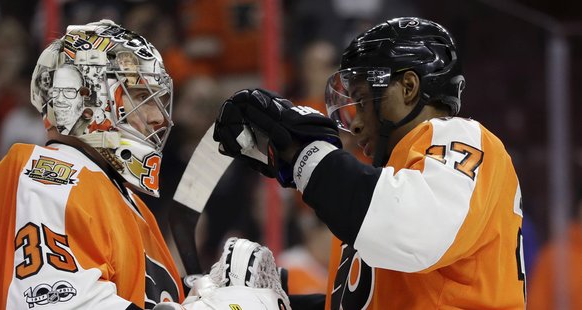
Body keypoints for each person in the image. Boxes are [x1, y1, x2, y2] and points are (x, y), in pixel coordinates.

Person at [214, 17, 525, 309]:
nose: (357, 124)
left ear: (408, 88)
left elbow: (414, 231)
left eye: (362, 101)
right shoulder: (385, 191)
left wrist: (305, 153)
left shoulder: (461, 136)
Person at [0, 20, 183, 309]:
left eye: (159, 100)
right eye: (142, 96)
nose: (158, 117)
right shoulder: (43, 176)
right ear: (87, 96)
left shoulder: (129, 204)